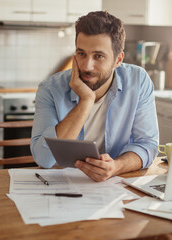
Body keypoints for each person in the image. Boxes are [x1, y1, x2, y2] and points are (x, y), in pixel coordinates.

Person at [30, 11, 159, 182]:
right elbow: (44, 159)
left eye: (98, 56)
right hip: (62, 185)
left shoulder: (138, 81)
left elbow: (148, 145)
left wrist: (116, 167)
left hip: (114, 186)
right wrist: (86, 101)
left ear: (118, 60)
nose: (87, 66)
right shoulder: (50, 89)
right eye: (81, 53)